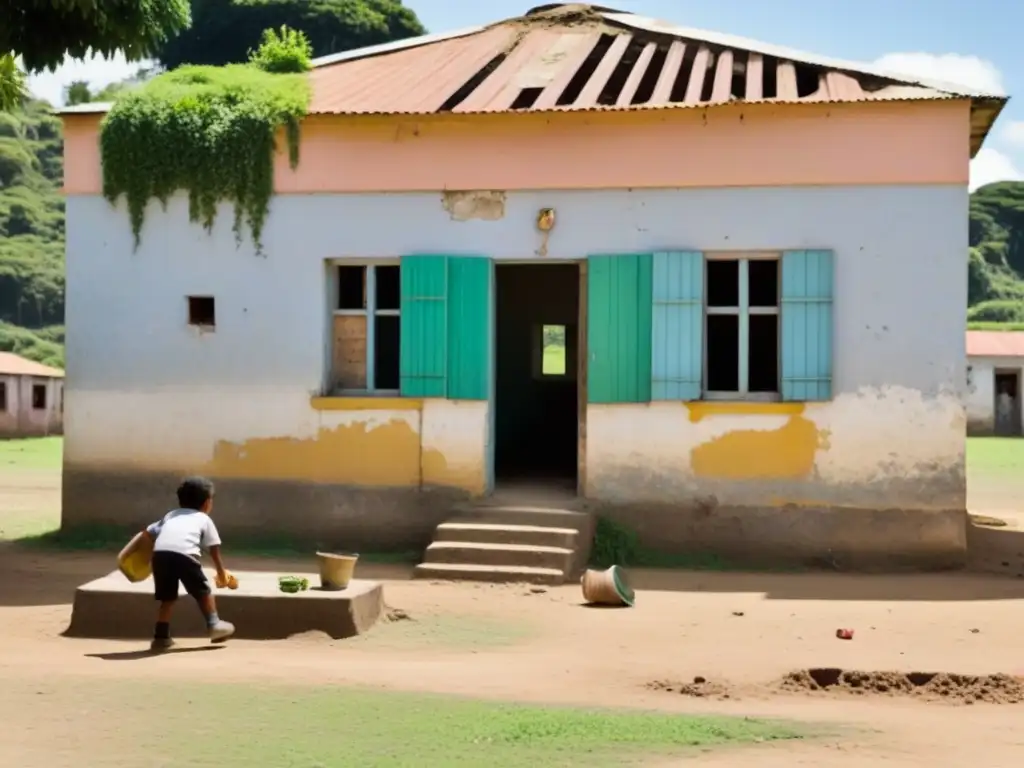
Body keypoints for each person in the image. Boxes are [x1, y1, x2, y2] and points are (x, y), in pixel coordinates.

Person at [140, 476, 235, 651]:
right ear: (207, 503)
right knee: (203, 592)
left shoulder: (170, 515)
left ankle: (161, 636)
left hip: (160, 556)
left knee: (167, 598)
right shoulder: (204, 519)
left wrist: (137, 559)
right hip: (185, 555)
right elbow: (214, 548)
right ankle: (214, 624)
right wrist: (221, 572)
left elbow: (147, 533)